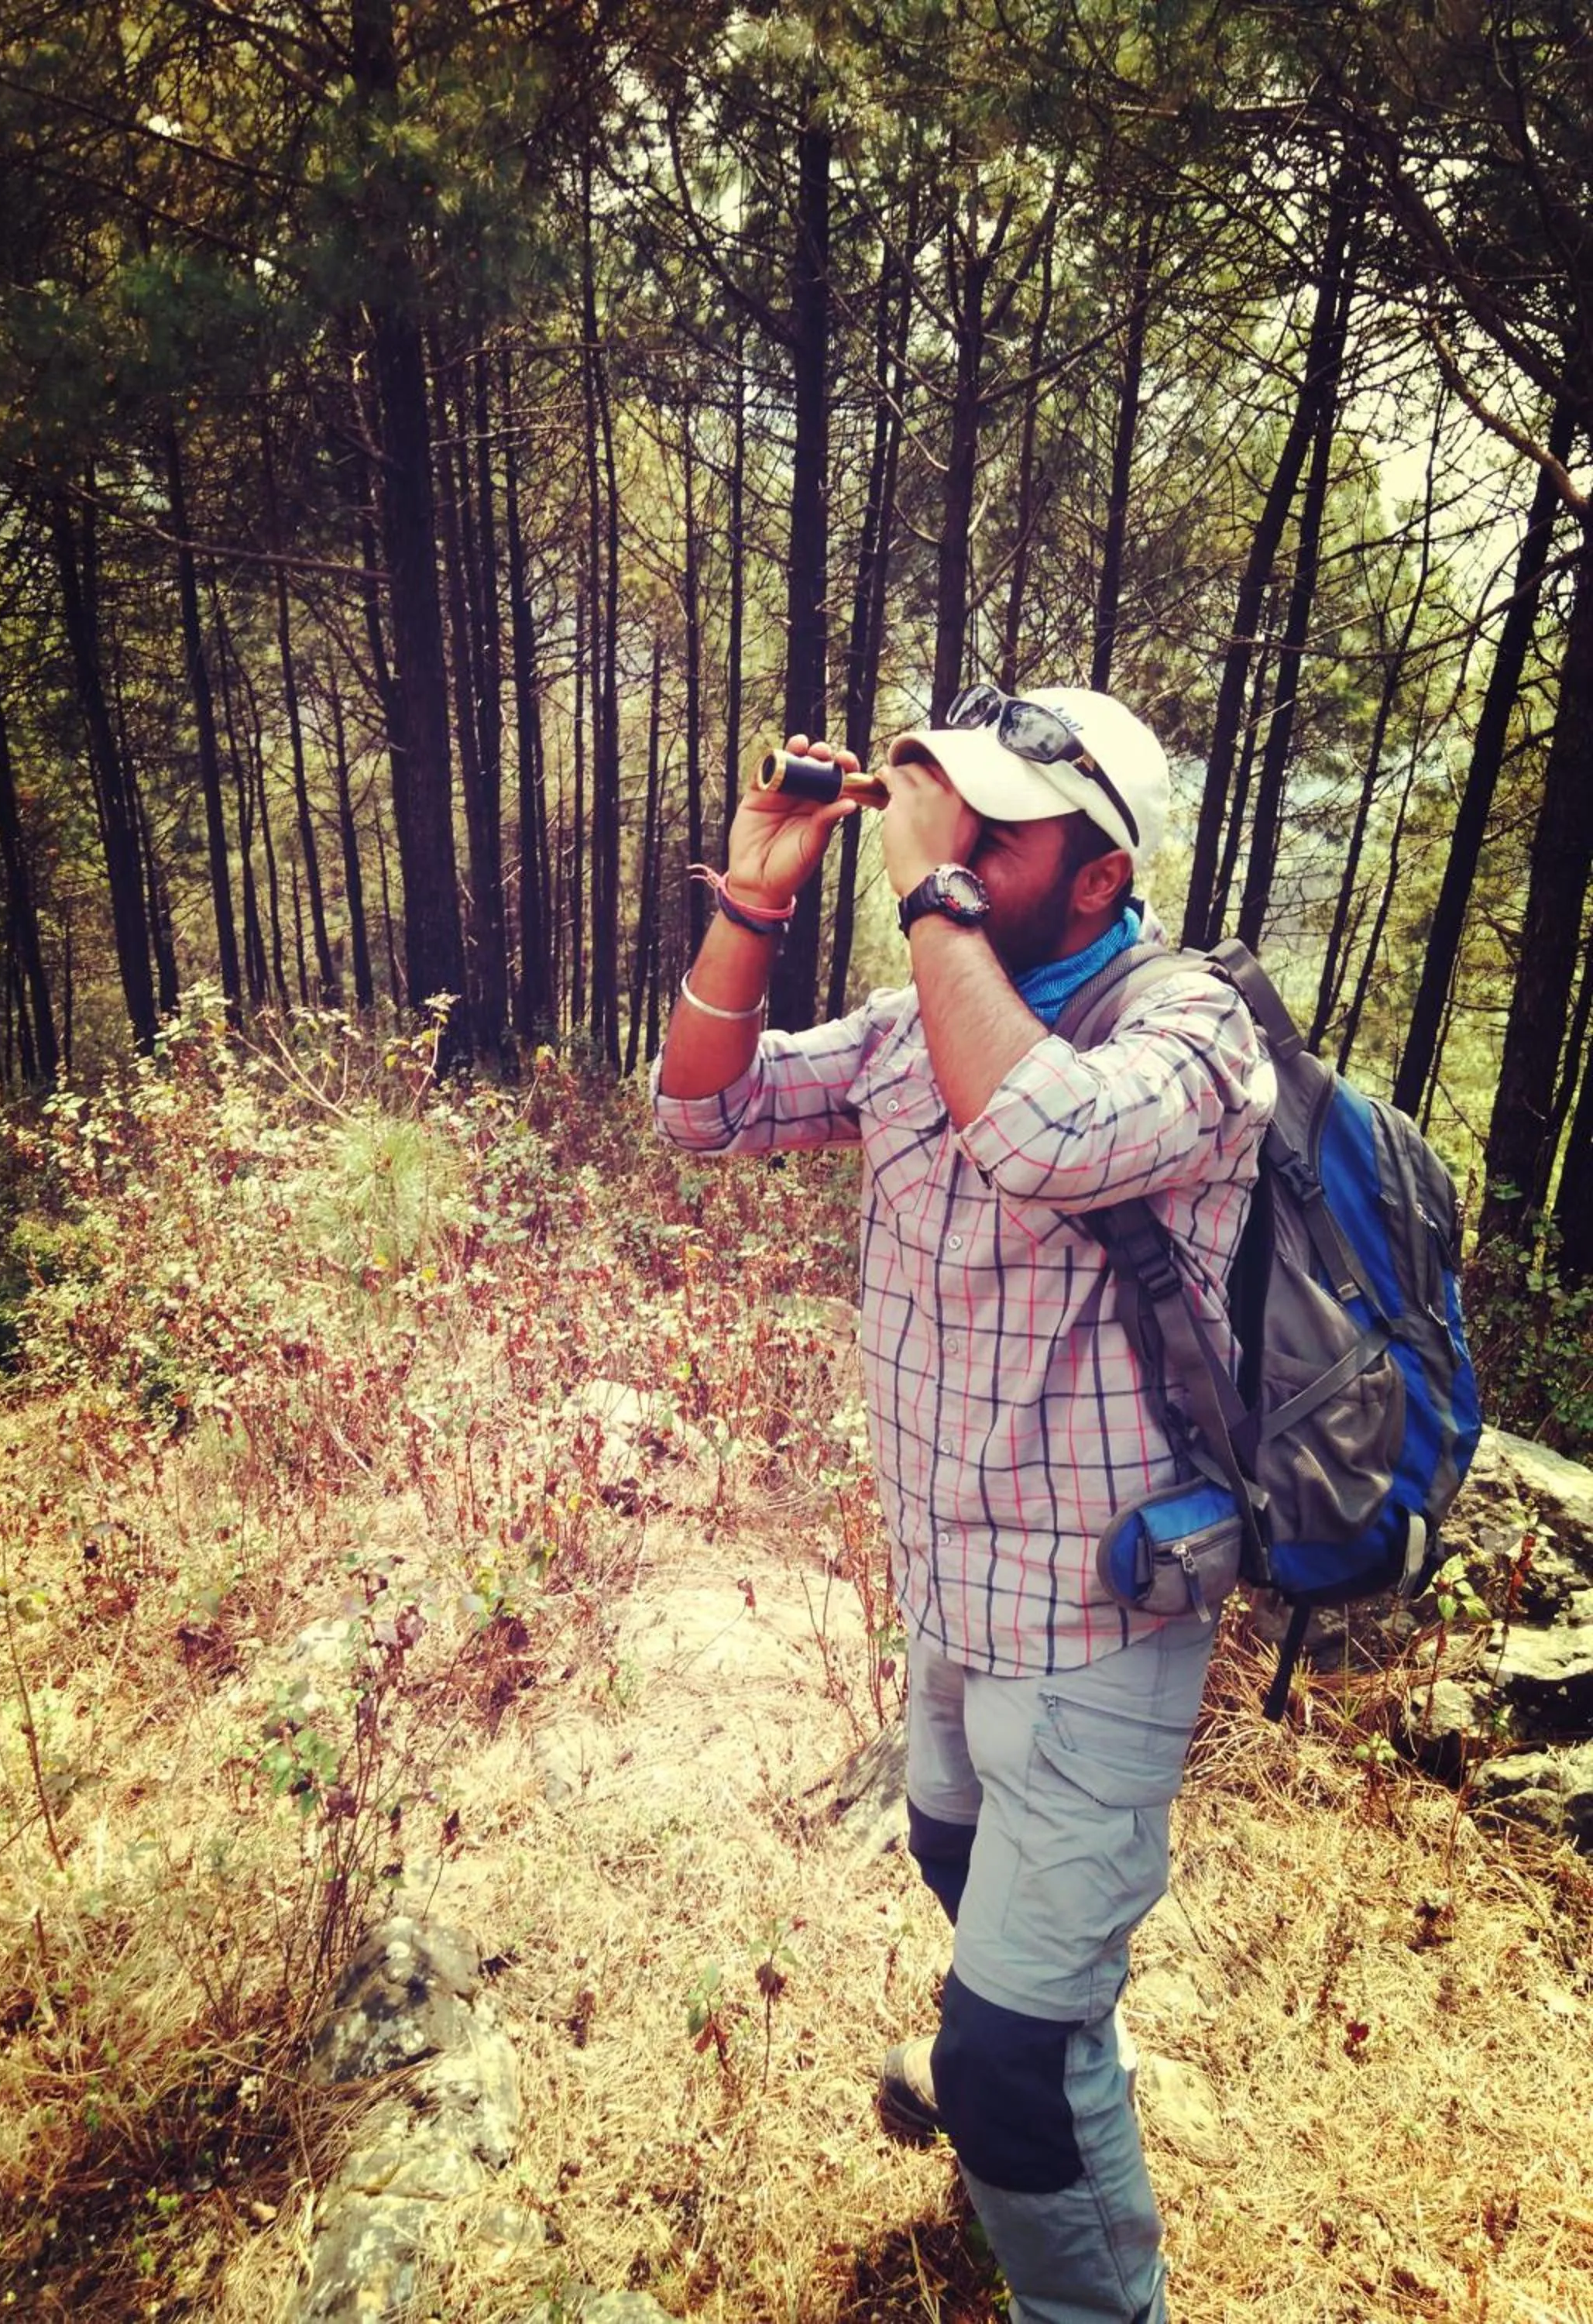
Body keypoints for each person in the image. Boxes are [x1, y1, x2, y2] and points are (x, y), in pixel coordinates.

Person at [652, 684, 1276, 2324]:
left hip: (1099, 1621)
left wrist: (929, 902)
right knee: (944, 1839)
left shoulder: (1193, 1034)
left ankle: (1082, 2246)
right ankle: (1062, 2039)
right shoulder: (914, 1020)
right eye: (942, 819)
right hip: (947, 1595)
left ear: (1101, 875)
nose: (948, 851)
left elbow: (1048, 1141)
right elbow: (699, 1109)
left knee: (993, 2067)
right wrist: (756, 895)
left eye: (993, 831)